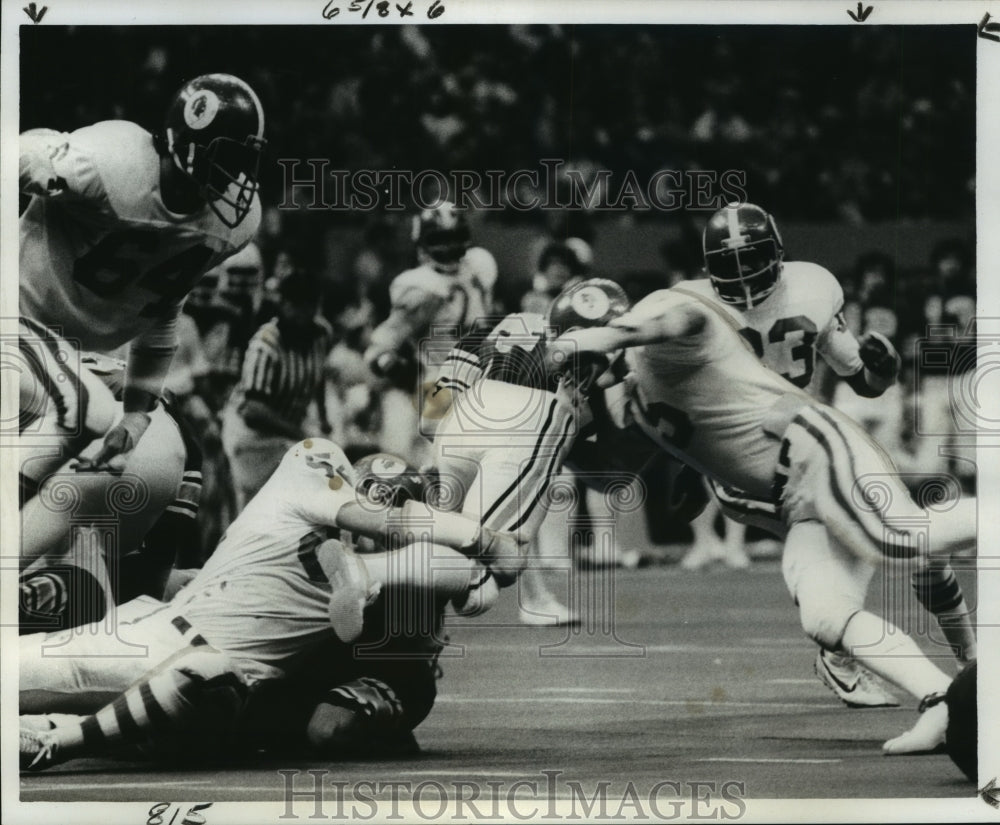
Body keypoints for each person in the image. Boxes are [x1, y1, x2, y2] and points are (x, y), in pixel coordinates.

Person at [546, 278, 976, 756]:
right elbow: (611, 477)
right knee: (825, 613)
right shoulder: (628, 398)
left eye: (580, 365)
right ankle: (941, 701)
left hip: (814, 448)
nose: (578, 376)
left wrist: (591, 340)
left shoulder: (668, 326)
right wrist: (563, 425)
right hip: (796, 495)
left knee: (897, 540)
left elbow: (671, 320)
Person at [19, 440, 520, 771]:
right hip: (153, 635)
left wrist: (478, 559)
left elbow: (475, 584)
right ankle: (52, 727)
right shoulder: (304, 487)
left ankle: (56, 740)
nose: (371, 531)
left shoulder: (407, 570)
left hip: (225, 692)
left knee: (217, 675)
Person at [685, 204, 976, 706]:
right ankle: (860, 656)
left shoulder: (810, 289)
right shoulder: (690, 311)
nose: (745, 277)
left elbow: (862, 380)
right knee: (874, 542)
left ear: (777, 253)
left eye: (752, 259)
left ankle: (969, 664)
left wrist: (880, 370)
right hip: (753, 473)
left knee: (911, 546)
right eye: (731, 264)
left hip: (818, 446)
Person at [18, 73, 265, 490]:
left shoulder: (232, 226)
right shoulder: (113, 163)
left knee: (181, 463)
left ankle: (65, 552)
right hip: (19, 322)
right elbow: (21, 150)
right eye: (228, 157)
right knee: (85, 411)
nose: (235, 176)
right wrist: (35, 164)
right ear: (187, 142)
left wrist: (136, 413)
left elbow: (164, 307)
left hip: (85, 355)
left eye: (245, 161)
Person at [421, 279, 633, 618]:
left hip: (460, 421)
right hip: (518, 435)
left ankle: (531, 598)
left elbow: (432, 414)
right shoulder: (600, 367)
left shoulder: (500, 323)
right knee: (500, 560)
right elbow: (604, 464)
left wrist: (440, 457)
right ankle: (393, 581)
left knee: (458, 533)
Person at [363, 201, 498, 462]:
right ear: (422, 244)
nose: (449, 247)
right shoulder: (419, 286)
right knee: (438, 463)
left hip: (484, 379)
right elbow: (379, 348)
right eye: (440, 239)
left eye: (455, 238)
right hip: (439, 383)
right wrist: (395, 367)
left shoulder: (479, 267)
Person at [220, 268, 335, 511]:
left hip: (292, 434)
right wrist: (300, 434)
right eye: (297, 306)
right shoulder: (265, 344)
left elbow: (318, 375)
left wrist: (323, 419)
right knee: (254, 511)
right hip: (253, 439)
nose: (303, 314)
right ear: (283, 304)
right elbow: (253, 410)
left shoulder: (321, 334)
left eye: (309, 306)